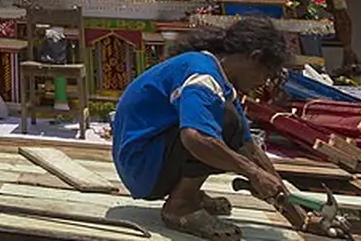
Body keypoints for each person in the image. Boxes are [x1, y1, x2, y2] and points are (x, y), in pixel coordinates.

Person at [111, 17, 290, 240]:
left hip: (148, 159)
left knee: (229, 127)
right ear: (254, 58)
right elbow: (195, 138)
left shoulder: (221, 81)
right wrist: (253, 173)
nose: (263, 83)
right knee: (222, 122)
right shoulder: (203, 77)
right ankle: (181, 206)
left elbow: (249, 148)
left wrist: (297, 213)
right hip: (141, 167)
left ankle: (190, 195)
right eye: (266, 75)